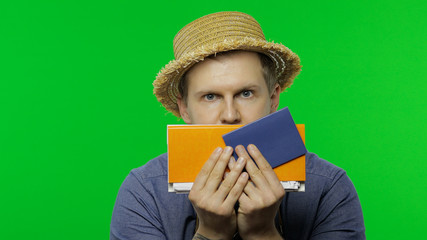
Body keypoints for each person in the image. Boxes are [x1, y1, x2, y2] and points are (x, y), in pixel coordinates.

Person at [110, 11, 365, 240]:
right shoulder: (144, 192)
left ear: (273, 98)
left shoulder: (329, 188)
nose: (230, 115)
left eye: (246, 93)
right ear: (184, 108)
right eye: (210, 97)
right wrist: (211, 233)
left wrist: (262, 233)